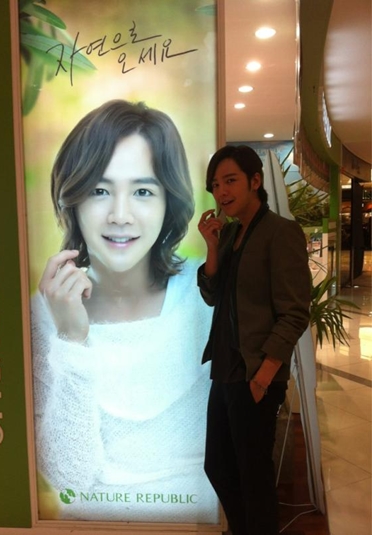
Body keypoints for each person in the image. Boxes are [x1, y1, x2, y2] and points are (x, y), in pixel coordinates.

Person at [31, 100, 218, 523]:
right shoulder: (43, 312)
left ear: (169, 202)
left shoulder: (205, 295)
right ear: (72, 201)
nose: (120, 215)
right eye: (99, 191)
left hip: (195, 523)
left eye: (143, 191)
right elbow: (68, 477)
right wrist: (71, 339)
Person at [197, 145, 311, 535]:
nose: (222, 192)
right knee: (218, 465)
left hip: (255, 373)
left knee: (254, 476)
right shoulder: (229, 234)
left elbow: (295, 313)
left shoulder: (281, 232)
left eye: (230, 180)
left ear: (255, 181)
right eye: (215, 185)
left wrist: (264, 377)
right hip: (226, 369)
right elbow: (212, 294)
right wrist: (212, 247)